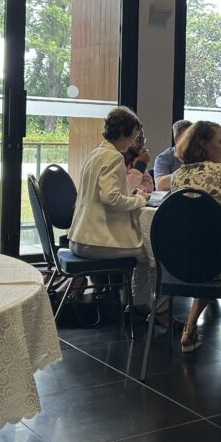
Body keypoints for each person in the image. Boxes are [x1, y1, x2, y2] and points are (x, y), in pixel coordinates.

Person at [170, 121, 221, 352]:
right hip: (220, 264)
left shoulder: (177, 177)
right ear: (205, 144)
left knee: (205, 252)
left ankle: (189, 329)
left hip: (182, 263)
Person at [69, 106, 154, 308]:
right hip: (95, 242)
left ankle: (131, 302)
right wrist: (140, 200)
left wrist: (131, 196)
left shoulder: (96, 153)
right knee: (150, 254)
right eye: (133, 137)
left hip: (79, 237)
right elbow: (111, 199)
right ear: (124, 133)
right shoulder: (114, 157)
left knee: (146, 252)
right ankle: (141, 306)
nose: (133, 142)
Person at [154, 119, 192, 191]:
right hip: (174, 197)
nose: (192, 142)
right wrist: (191, 175)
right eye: (187, 138)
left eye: (194, 138)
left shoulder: (201, 155)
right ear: (176, 140)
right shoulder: (164, 158)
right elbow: (160, 185)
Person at [122, 128, 154, 194]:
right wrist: (140, 165)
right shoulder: (116, 159)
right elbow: (123, 189)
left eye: (143, 140)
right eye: (138, 140)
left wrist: (136, 189)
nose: (142, 145)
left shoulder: (133, 159)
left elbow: (149, 187)